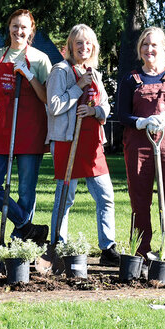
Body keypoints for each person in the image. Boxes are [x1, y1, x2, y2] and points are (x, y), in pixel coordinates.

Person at [117, 26, 165, 277]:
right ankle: (140, 257)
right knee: (140, 202)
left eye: (154, 45)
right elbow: (121, 113)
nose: (149, 49)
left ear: (163, 48)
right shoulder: (131, 78)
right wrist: (139, 121)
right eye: (145, 45)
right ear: (140, 49)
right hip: (139, 142)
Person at [45, 24, 119, 265]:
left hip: (92, 144)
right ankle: (59, 245)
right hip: (68, 141)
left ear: (94, 48)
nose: (83, 47)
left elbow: (106, 106)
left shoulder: (94, 73)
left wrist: (94, 110)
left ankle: (108, 248)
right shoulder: (61, 71)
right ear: (70, 46)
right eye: (79, 42)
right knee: (65, 197)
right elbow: (54, 106)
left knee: (106, 197)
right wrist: (78, 88)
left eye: (88, 43)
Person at [0, 9, 51, 244]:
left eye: (24, 27)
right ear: (8, 27)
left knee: (26, 191)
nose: (19, 31)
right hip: (1, 129)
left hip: (30, 130)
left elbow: (47, 97)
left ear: (31, 31)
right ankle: (26, 226)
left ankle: (20, 241)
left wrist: (29, 75)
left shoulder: (40, 59)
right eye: (15, 26)